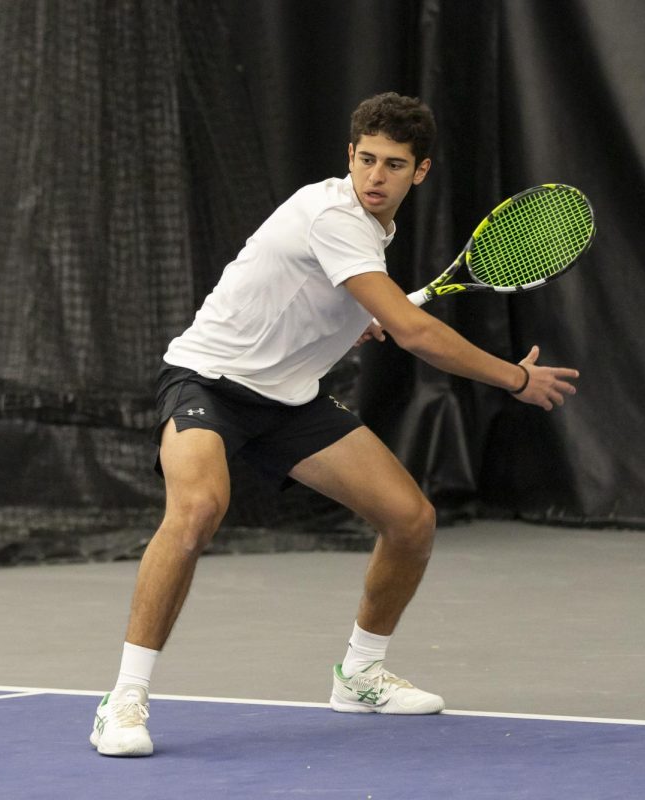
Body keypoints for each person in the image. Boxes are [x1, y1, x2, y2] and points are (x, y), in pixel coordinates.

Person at [89, 92, 579, 757]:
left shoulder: (375, 232)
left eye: (395, 165)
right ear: (350, 156)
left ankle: (360, 675)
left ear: (420, 172)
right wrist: (515, 379)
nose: (377, 176)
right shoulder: (333, 215)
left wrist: (348, 319)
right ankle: (123, 699)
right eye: (367, 159)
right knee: (199, 508)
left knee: (411, 521)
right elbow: (411, 331)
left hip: (288, 399)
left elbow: (339, 310)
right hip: (207, 382)